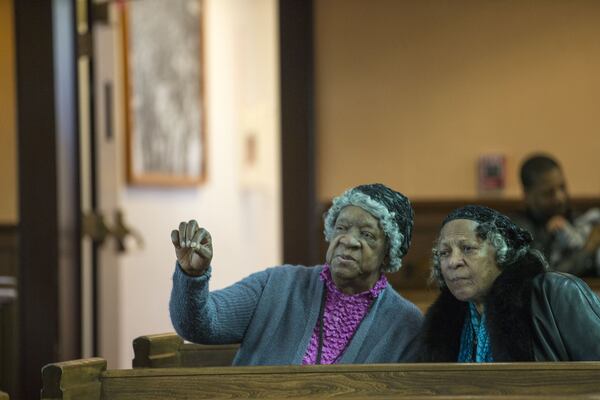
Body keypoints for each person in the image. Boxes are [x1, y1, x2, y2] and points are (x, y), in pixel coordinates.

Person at [169, 183, 423, 365]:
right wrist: (193, 276)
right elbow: (199, 325)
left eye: (367, 235)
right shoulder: (278, 284)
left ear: (389, 252)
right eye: (341, 227)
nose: (348, 240)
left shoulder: (405, 324)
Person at [417, 205, 600, 362]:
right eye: (444, 253)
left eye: (467, 248)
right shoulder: (445, 323)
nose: (453, 262)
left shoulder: (558, 293)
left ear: (501, 252)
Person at [513, 154, 600, 276]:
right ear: (528, 195)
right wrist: (588, 249)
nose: (560, 197)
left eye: (562, 187)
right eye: (549, 193)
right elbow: (546, 278)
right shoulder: (518, 230)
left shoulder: (577, 218)